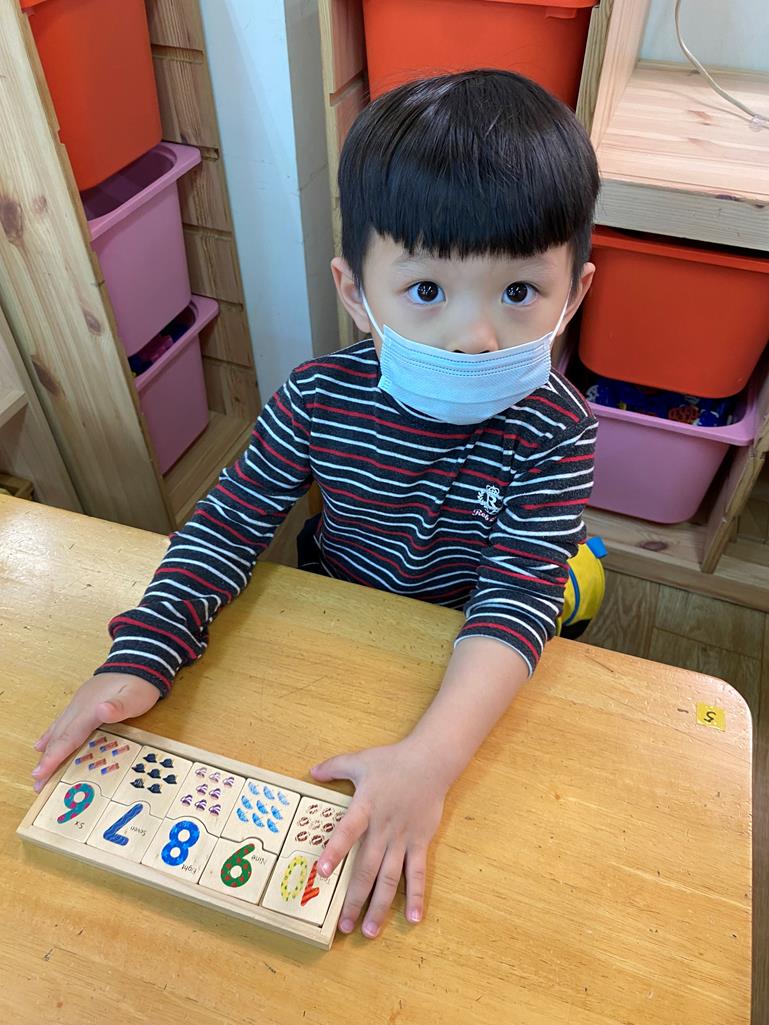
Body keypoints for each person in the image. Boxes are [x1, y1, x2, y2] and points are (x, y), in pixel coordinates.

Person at [32, 69, 600, 940]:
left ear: (575, 293)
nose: (475, 336)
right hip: (339, 612)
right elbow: (226, 526)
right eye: (426, 291)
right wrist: (144, 652)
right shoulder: (316, 396)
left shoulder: (556, 431)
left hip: (464, 646)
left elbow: (512, 602)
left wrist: (429, 761)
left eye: (519, 293)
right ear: (354, 292)